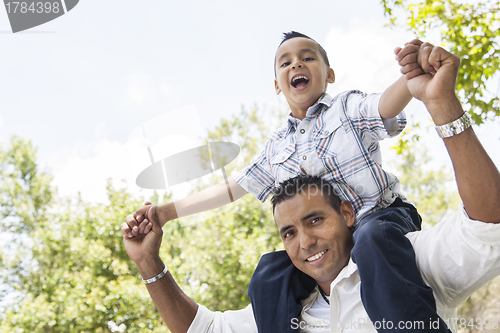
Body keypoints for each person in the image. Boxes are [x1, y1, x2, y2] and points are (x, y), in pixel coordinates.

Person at [122, 40, 500, 333]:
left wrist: (413, 78)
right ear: (276, 85)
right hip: (350, 241)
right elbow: (233, 188)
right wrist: (167, 212)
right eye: (285, 62)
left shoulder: (346, 109)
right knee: (269, 271)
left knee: (371, 241)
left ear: (329, 74)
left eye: (307, 58)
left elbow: (384, 106)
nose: (296, 64)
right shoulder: (276, 147)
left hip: (382, 221)